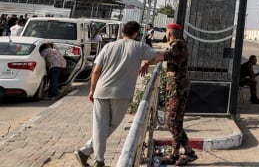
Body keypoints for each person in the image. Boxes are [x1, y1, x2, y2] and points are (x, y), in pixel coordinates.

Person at [75, 21, 162, 167]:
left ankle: (95, 157)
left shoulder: (109, 46)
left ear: (122, 32)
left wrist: (92, 90)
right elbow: (159, 56)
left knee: (99, 125)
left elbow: (96, 71)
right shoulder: (140, 47)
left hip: (101, 91)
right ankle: (89, 154)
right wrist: (147, 63)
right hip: (122, 93)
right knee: (112, 124)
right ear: (136, 33)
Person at [141, 22, 198, 165]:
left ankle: (178, 154)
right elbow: (163, 56)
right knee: (175, 122)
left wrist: (147, 61)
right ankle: (186, 152)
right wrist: (149, 62)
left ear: (169, 33)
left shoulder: (178, 44)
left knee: (172, 122)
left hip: (178, 88)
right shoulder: (178, 44)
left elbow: (163, 55)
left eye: (166, 32)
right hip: (175, 88)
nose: (166, 35)